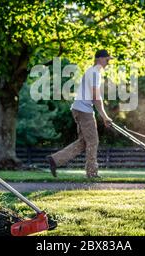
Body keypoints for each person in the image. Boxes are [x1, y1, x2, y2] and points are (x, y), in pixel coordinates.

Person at [47, 50, 114, 179]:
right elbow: (96, 97)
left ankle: (55, 160)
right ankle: (92, 173)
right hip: (84, 111)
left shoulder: (91, 71)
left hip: (80, 109)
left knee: (84, 142)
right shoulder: (95, 73)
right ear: (100, 59)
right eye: (107, 59)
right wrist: (105, 117)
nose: (108, 62)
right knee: (93, 141)